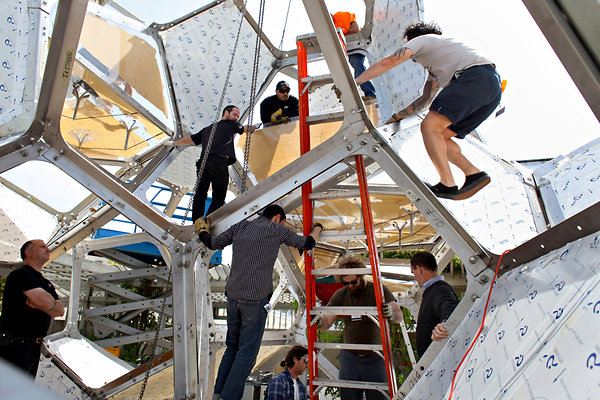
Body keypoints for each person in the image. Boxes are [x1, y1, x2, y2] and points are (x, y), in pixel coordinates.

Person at [355, 21, 502, 200]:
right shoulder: (443, 60)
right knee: (441, 136)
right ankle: (474, 174)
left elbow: (389, 61)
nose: (413, 59)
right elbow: (425, 99)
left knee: (429, 127)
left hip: (473, 78)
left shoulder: (423, 40)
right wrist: (396, 117)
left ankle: (447, 184)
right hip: (490, 89)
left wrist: (356, 82)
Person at [197, 204, 323, 400]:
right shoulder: (276, 229)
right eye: (284, 221)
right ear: (277, 218)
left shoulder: (240, 226)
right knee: (247, 354)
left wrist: (201, 230)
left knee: (232, 347)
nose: (284, 225)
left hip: (233, 297)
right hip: (254, 301)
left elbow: (212, 243)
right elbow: (307, 243)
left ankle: (218, 394)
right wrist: (318, 229)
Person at [318, 255, 402, 400]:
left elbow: (398, 316)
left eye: (354, 282)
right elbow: (327, 322)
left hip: (376, 357)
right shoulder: (340, 295)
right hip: (350, 359)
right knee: (349, 396)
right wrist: (318, 322)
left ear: (361, 275)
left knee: (380, 396)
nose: (350, 286)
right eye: (346, 283)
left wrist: (390, 313)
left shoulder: (378, 290)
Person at [169, 105, 257, 222]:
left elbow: (190, 139)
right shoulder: (231, 124)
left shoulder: (207, 129)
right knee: (219, 197)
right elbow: (245, 129)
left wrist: (173, 143)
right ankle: (208, 221)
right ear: (226, 113)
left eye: (238, 116)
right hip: (219, 162)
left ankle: (197, 221)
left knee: (200, 193)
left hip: (203, 163)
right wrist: (255, 126)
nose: (236, 118)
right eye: (235, 114)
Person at [0, 240, 65, 377]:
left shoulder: (46, 283)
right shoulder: (21, 274)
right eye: (42, 247)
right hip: (15, 345)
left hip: (33, 347)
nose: (47, 249)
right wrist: (47, 305)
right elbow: (46, 302)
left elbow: (60, 311)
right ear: (28, 252)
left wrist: (44, 304)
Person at [410, 251, 458, 358]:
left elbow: (450, 307)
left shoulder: (440, 289)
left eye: (413, 273)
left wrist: (445, 324)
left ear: (420, 269)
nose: (415, 278)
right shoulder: (434, 290)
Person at [331, 11, 377, 101]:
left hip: (357, 45)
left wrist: (339, 35)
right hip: (346, 49)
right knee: (344, 70)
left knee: (357, 65)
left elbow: (355, 30)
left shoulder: (340, 16)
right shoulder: (327, 29)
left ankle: (370, 94)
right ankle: (346, 94)